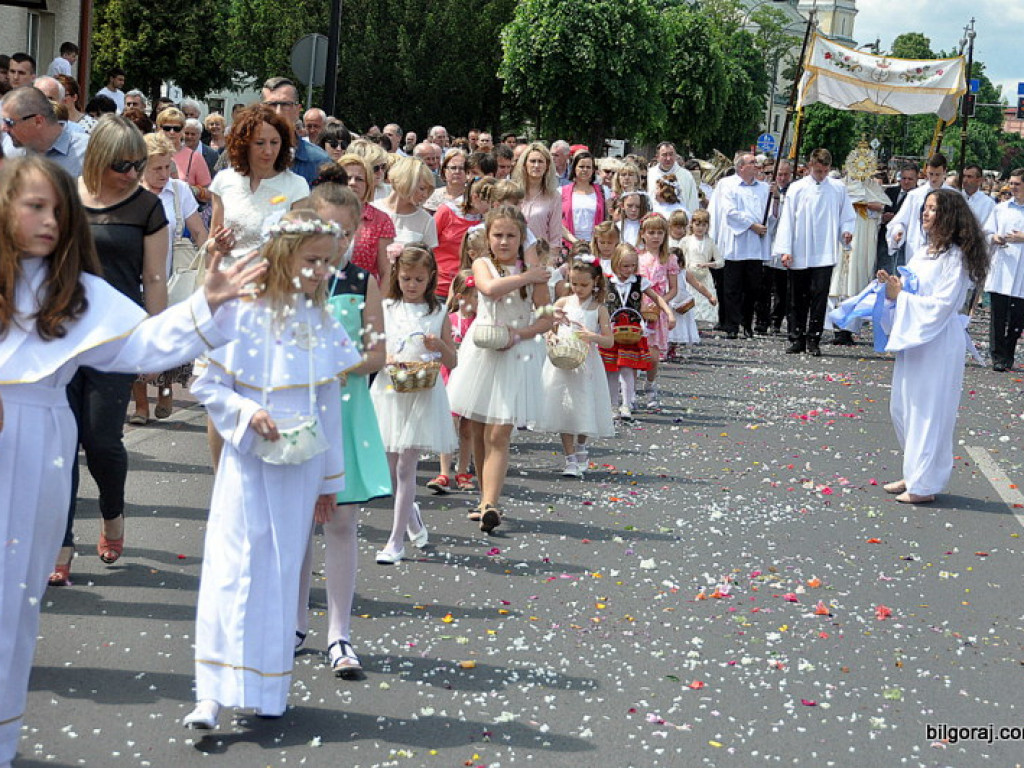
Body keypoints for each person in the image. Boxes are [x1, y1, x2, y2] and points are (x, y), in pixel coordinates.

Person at [0, 155, 264, 766]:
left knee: (15, 601)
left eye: (58, 210)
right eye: (34, 206)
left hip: (39, 439)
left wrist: (208, 304)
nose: (49, 220)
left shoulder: (76, 292)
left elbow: (145, 344)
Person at [183, 210, 361, 730]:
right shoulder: (240, 312)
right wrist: (244, 412)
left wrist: (331, 484)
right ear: (283, 257)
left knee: (283, 572)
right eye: (311, 261)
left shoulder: (322, 322)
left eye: (328, 264)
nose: (321, 272)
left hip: (300, 464)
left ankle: (267, 688)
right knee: (232, 565)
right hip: (246, 458)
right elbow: (207, 385)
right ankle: (210, 693)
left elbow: (330, 407)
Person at [51, 115, 170, 584]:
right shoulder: (64, 197)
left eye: (139, 163)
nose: (132, 172)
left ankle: (112, 513)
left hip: (116, 340)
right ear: (98, 157)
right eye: (123, 164)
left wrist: (155, 344)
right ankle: (60, 543)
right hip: (60, 336)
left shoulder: (147, 208)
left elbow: (155, 280)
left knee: (100, 440)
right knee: (59, 446)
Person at [296, 176, 389, 676]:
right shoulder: (289, 281)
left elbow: (378, 352)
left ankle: (339, 633)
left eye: (346, 232)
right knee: (295, 525)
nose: (336, 241)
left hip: (345, 410)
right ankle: (293, 622)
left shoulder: (361, 283)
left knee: (342, 522)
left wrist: (337, 365)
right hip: (294, 414)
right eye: (326, 229)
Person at [446, 207, 555, 532]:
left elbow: (546, 316)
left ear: (522, 238)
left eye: (511, 235)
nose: (504, 241)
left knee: (499, 430)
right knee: (478, 428)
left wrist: (520, 334)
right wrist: (527, 276)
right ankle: (484, 498)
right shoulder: (483, 264)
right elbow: (489, 289)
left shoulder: (534, 273)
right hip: (481, 352)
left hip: (515, 355)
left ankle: (491, 503)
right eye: (498, 235)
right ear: (488, 237)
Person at [878, 189, 989, 504]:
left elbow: (943, 304)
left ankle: (924, 484)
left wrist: (904, 298)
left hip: (938, 339)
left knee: (929, 410)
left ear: (949, 216)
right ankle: (913, 470)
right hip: (914, 337)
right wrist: (890, 290)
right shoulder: (923, 252)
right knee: (903, 406)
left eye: (933, 209)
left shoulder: (956, 256)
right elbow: (908, 289)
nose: (925, 214)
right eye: (924, 208)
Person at [369, 244, 458, 563]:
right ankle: (411, 516)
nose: (412, 285)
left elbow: (453, 359)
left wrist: (438, 347)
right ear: (397, 275)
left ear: (430, 278)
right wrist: (386, 358)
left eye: (419, 279)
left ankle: (395, 541)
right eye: (406, 278)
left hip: (422, 392)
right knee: (390, 469)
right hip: (391, 389)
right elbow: (374, 348)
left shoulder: (438, 311)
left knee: (407, 466)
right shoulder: (387, 306)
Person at [131, 132, 209, 424]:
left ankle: (165, 389)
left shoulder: (179, 191)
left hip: (171, 278)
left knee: (167, 338)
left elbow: (199, 231)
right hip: (135, 278)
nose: (164, 174)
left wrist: (209, 255)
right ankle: (140, 404)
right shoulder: (131, 193)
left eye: (167, 167)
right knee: (137, 342)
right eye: (157, 168)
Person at [536, 255, 614, 477]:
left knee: (583, 404)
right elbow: (548, 326)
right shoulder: (562, 303)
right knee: (564, 408)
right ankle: (570, 458)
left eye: (584, 284)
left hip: (586, 363)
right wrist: (550, 335)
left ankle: (581, 446)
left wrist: (592, 335)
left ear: (595, 282)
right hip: (562, 361)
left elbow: (609, 340)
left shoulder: (599, 309)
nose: (578, 289)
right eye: (574, 284)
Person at [775, 148, 856, 357]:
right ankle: (796, 337)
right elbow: (787, 220)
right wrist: (785, 250)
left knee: (819, 297)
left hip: (824, 251)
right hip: (800, 249)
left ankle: (814, 338)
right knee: (797, 296)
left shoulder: (838, 188)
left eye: (825, 171)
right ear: (810, 166)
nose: (821, 175)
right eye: (818, 170)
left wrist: (846, 232)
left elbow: (847, 215)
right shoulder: (797, 188)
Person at [601, 243, 671, 420]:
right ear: (616, 263)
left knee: (627, 367)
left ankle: (626, 404)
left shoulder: (639, 282)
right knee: (611, 370)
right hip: (612, 331)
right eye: (625, 266)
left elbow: (657, 298)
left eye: (633, 265)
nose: (629, 269)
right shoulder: (607, 282)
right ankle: (612, 405)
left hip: (632, 333)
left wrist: (669, 313)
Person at [716, 153, 771, 339]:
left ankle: (747, 322)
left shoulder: (764, 188)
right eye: (752, 162)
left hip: (755, 246)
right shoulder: (729, 185)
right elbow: (730, 212)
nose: (756, 165)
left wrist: (776, 201)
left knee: (753, 287)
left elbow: (769, 212)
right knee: (732, 287)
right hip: (736, 243)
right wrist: (751, 225)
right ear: (741, 167)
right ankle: (731, 325)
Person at [982, 167, 1024, 372]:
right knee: (998, 315)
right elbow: (988, 230)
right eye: (1012, 183)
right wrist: (994, 238)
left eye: (1017, 184)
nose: (1012, 188)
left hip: (1022, 270)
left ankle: (1009, 351)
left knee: (1017, 318)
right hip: (1003, 265)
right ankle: (997, 356)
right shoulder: (1001, 208)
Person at [636, 214, 678, 409]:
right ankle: (630, 389)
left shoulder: (669, 259)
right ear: (643, 234)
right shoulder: (636, 257)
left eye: (660, 232)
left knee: (653, 355)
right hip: (638, 308)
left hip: (657, 310)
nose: (655, 237)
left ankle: (651, 383)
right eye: (651, 232)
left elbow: (673, 289)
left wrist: (660, 304)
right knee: (634, 350)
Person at [0, 86, 89, 176]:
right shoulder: (10, 150)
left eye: (9, 122)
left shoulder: (86, 152)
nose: (3, 128)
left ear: (38, 121)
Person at [432, 174, 493, 301]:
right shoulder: (446, 211)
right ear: (475, 198)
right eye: (490, 201)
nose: (493, 205)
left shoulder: (489, 219)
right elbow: (428, 243)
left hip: (471, 288)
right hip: (440, 284)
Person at [338, 152, 395, 284]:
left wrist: (379, 302)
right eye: (347, 178)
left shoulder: (381, 220)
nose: (352, 183)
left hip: (363, 295)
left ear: (368, 184)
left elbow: (386, 272)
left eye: (359, 179)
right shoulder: (322, 214)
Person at [260, 77, 329, 185]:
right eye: (271, 105)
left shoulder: (319, 161)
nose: (278, 112)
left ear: (298, 110)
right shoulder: (245, 155)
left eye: (285, 104)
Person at [886, 154, 951, 265]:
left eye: (937, 174)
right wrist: (898, 232)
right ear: (926, 171)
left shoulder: (952, 196)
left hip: (943, 250)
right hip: (917, 248)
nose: (934, 179)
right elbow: (901, 221)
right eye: (931, 174)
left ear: (945, 171)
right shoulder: (914, 196)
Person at [373, 155, 439, 250]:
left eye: (428, 191)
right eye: (422, 188)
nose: (425, 195)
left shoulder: (426, 221)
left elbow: (428, 261)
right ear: (406, 183)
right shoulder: (373, 209)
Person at [155, 108, 212, 206]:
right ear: (159, 129)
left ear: (182, 130)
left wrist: (195, 190)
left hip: (182, 214)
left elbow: (209, 194)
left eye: (177, 129)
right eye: (167, 128)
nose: (172, 132)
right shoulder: (149, 153)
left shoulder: (194, 157)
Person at [679, 209, 723, 327]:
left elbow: (721, 262)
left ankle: (699, 328)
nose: (700, 228)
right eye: (697, 224)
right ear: (692, 225)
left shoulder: (710, 242)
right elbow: (679, 258)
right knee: (688, 302)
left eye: (704, 225)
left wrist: (708, 264)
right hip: (689, 275)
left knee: (703, 303)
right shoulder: (686, 240)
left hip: (704, 276)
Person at [515, 142, 562, 247]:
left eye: (540, 161)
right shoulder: (514, 192)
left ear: (547, 165)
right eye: (532, 161)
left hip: (541, 256)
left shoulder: (554, 196)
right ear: (524, 164)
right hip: (515, 255)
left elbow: (555, 237)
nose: (536, 165)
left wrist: (551, 260)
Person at [561, 150, 605, 249]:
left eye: (588, 167)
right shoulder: (561, 191)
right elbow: (556, 221)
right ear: (574, 168)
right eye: (581, 166)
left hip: (596, 245)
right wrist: (575, 241)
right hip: (569, 244)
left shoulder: (603, 191)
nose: (584, 170)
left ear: (593, 170)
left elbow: (608, 220)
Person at [647, 142, 698, 213]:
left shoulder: (686, 175)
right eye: (664, 155)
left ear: (675, 156)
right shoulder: (650, 174)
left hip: (680, 220)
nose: (668, 158)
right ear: (657, 157)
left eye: (671, 154)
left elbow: (693, 201)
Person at [424, 148, 469, 214]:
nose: (457, 172)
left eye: (462, 168)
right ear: (444, 171)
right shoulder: (432, 196)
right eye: (453, 168)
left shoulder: (474, 197)